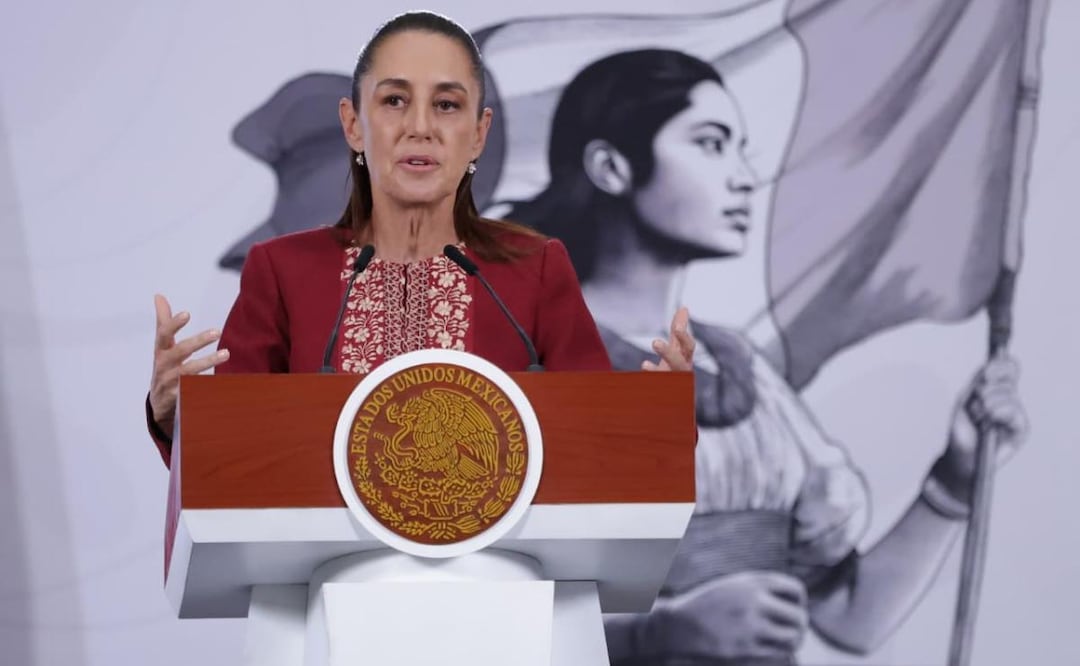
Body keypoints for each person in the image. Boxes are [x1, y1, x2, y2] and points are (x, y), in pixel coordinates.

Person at [502, 49, 1028, 665]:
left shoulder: (739, 369)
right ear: (611, 167)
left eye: (740, 146)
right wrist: (654, 637)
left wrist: (956, 477)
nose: (745, 176)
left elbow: (847, 618)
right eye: (711, 143)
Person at [145, 12, 701, 468]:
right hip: (329, 594)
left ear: (479, 133)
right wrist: (173, 420)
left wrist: (661, 419)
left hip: (504, 593)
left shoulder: (535, 269)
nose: (420, 127)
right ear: (353, 124)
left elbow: (601, 454)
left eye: (447, 104)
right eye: (393, 101)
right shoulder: (283, 271)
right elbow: (233, 463)